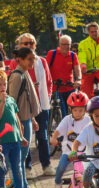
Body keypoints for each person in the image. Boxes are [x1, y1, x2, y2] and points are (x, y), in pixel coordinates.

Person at [15, 33, 56, 178]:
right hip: (24, 106)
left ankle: (46, 165)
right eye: (25, 43)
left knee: (43, 135)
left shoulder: (42, 61)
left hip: (41, 104)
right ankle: (27, 168)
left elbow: (49, 81)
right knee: (26, 136)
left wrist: (48, 96)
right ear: (19, 45)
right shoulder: (17, 63)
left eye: (31, 43)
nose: (28, 46)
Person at [8, 47, 41, 188]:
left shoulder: (25, 73)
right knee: (19, 159)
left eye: (33, 59)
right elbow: (12, 103)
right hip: (20, 122)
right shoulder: (17, 76)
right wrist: (19, 125)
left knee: (22, 157)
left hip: (27, 119)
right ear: (20, 60)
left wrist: (33, 119)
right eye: (29, 59)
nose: (32, 62)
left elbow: (26, 99)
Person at [50, 91, 91, 188]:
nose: (78, 112)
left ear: (85, 109)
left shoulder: (89, 120)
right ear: (70, 109)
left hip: (85, 151)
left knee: (93, 170)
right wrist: (54, 138)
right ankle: (58, 182)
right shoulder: (67, 120)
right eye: (75, 110)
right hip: (69, 151)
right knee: (61, 167)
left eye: (81, 110)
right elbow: (58, 131)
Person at [0, 70, 29, 188]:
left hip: (14, 140)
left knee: (17, 168)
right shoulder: (3, 100)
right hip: (2, 142)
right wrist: (2, 102)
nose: (3, 87)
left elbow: (16, 119)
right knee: (2, 169)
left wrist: (21, 135)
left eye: (4, 84)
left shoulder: (11, 99)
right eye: (0, 84)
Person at [46, 34, 82, 118]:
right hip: (56, 88)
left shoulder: (73, 55)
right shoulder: (52, 54)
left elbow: (77, 69)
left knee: (75, 110)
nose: (66, 47)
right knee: (63, 112)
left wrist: (79, 79)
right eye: (64, 44)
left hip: (70, 87)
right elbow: (46, 69)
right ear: (59, 44)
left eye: (68, 44)